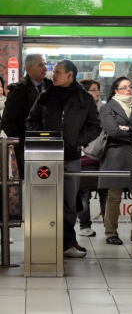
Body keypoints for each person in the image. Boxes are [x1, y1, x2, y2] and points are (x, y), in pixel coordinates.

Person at [26, 60, 101, 258]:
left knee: (69, 203)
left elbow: (95, 126)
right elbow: (30, 122)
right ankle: (44, 241)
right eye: (54, 72)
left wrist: (77, 141)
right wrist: (45, 139)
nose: (53, 75)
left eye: (58, 72)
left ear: (70, 75)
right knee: (45, 201)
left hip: (71, 158)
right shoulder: (45, 97)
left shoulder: (85, 99)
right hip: (46, 159)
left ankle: (67, 243)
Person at [98, 77, 132, 245]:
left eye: (130, 87)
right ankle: (110, 233)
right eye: (124, 87)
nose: (129, 90)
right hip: (115, 156)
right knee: (114, 197)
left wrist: (126, 129)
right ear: (116, 90)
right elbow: (112, 131)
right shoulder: (108, 108)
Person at [1, 53, 52, 178]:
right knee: (31, 184)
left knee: (51, 185)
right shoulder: (18, 91)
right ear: (29, 68)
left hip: (52, 145)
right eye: (40, 65)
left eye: (45, 64)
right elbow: (7, 122)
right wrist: (22, 142)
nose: (45, 68)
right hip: (29, 147)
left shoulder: (52, 87)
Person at [76, 79, 107, 238]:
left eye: (97, 89)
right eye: (93, 90)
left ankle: (109, 229)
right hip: (84, 157)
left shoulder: (105, 109)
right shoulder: (78, 109)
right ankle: (84, 225)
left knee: (104, 192)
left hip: (101, 157)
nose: (97, 93)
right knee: (84, 194)